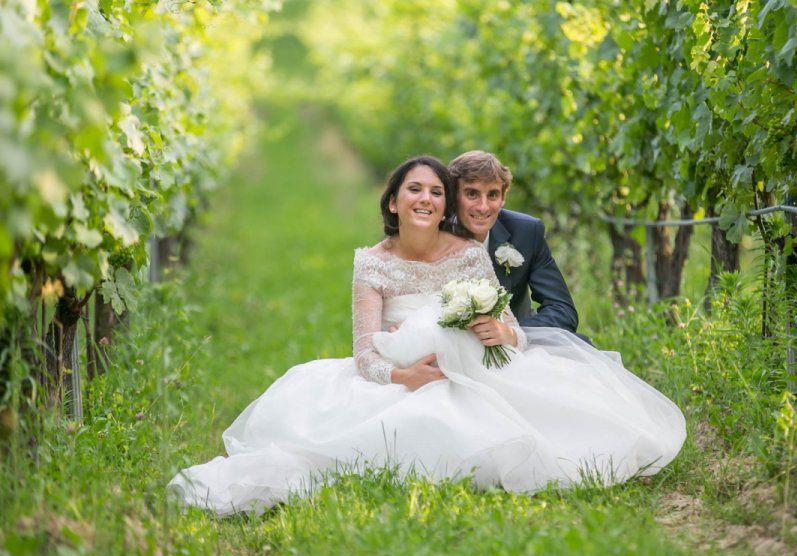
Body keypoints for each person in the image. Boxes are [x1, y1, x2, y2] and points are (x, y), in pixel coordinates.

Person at [167, 156, 685, 516]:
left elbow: (514, 333)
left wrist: (503, 331)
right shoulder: (370, 263)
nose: (427, 198)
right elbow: (364, 350)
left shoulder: (467, 253)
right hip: (402, 372)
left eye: (436, 192)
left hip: (471, 370)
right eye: (415, 189)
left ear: (445, 206)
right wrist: (401, 374)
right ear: (392, 202)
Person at [449, 150, 580, 335]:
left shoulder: (526, 232)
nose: (483, 206)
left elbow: (563, 311)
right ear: (453, 197)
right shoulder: (433, 234)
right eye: (472, 194)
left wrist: (512, 333)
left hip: (518, 344)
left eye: (492, 195)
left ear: (503, 198)